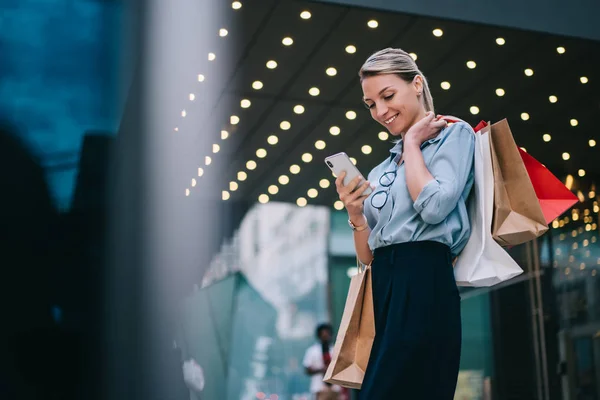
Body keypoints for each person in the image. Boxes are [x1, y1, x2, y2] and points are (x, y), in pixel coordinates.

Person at [335, 48, 475, 399]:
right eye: (371, 104)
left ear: (416, 84)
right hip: (385, 286)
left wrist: (412, 142)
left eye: (387, 96)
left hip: (425, 277)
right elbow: (368, 256)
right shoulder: (381, 171)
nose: (380, 112)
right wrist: (355, 215)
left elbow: (434, 208)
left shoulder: (455, 135)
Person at [302, 323, 341, 400]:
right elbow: (307, 369)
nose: (325, 336)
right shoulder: (312, 351)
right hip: (319, 388)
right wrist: (322, 370)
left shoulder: (335, 350)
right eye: (323, 334)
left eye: (327, 334)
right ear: (319, 336)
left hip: (335, 388)